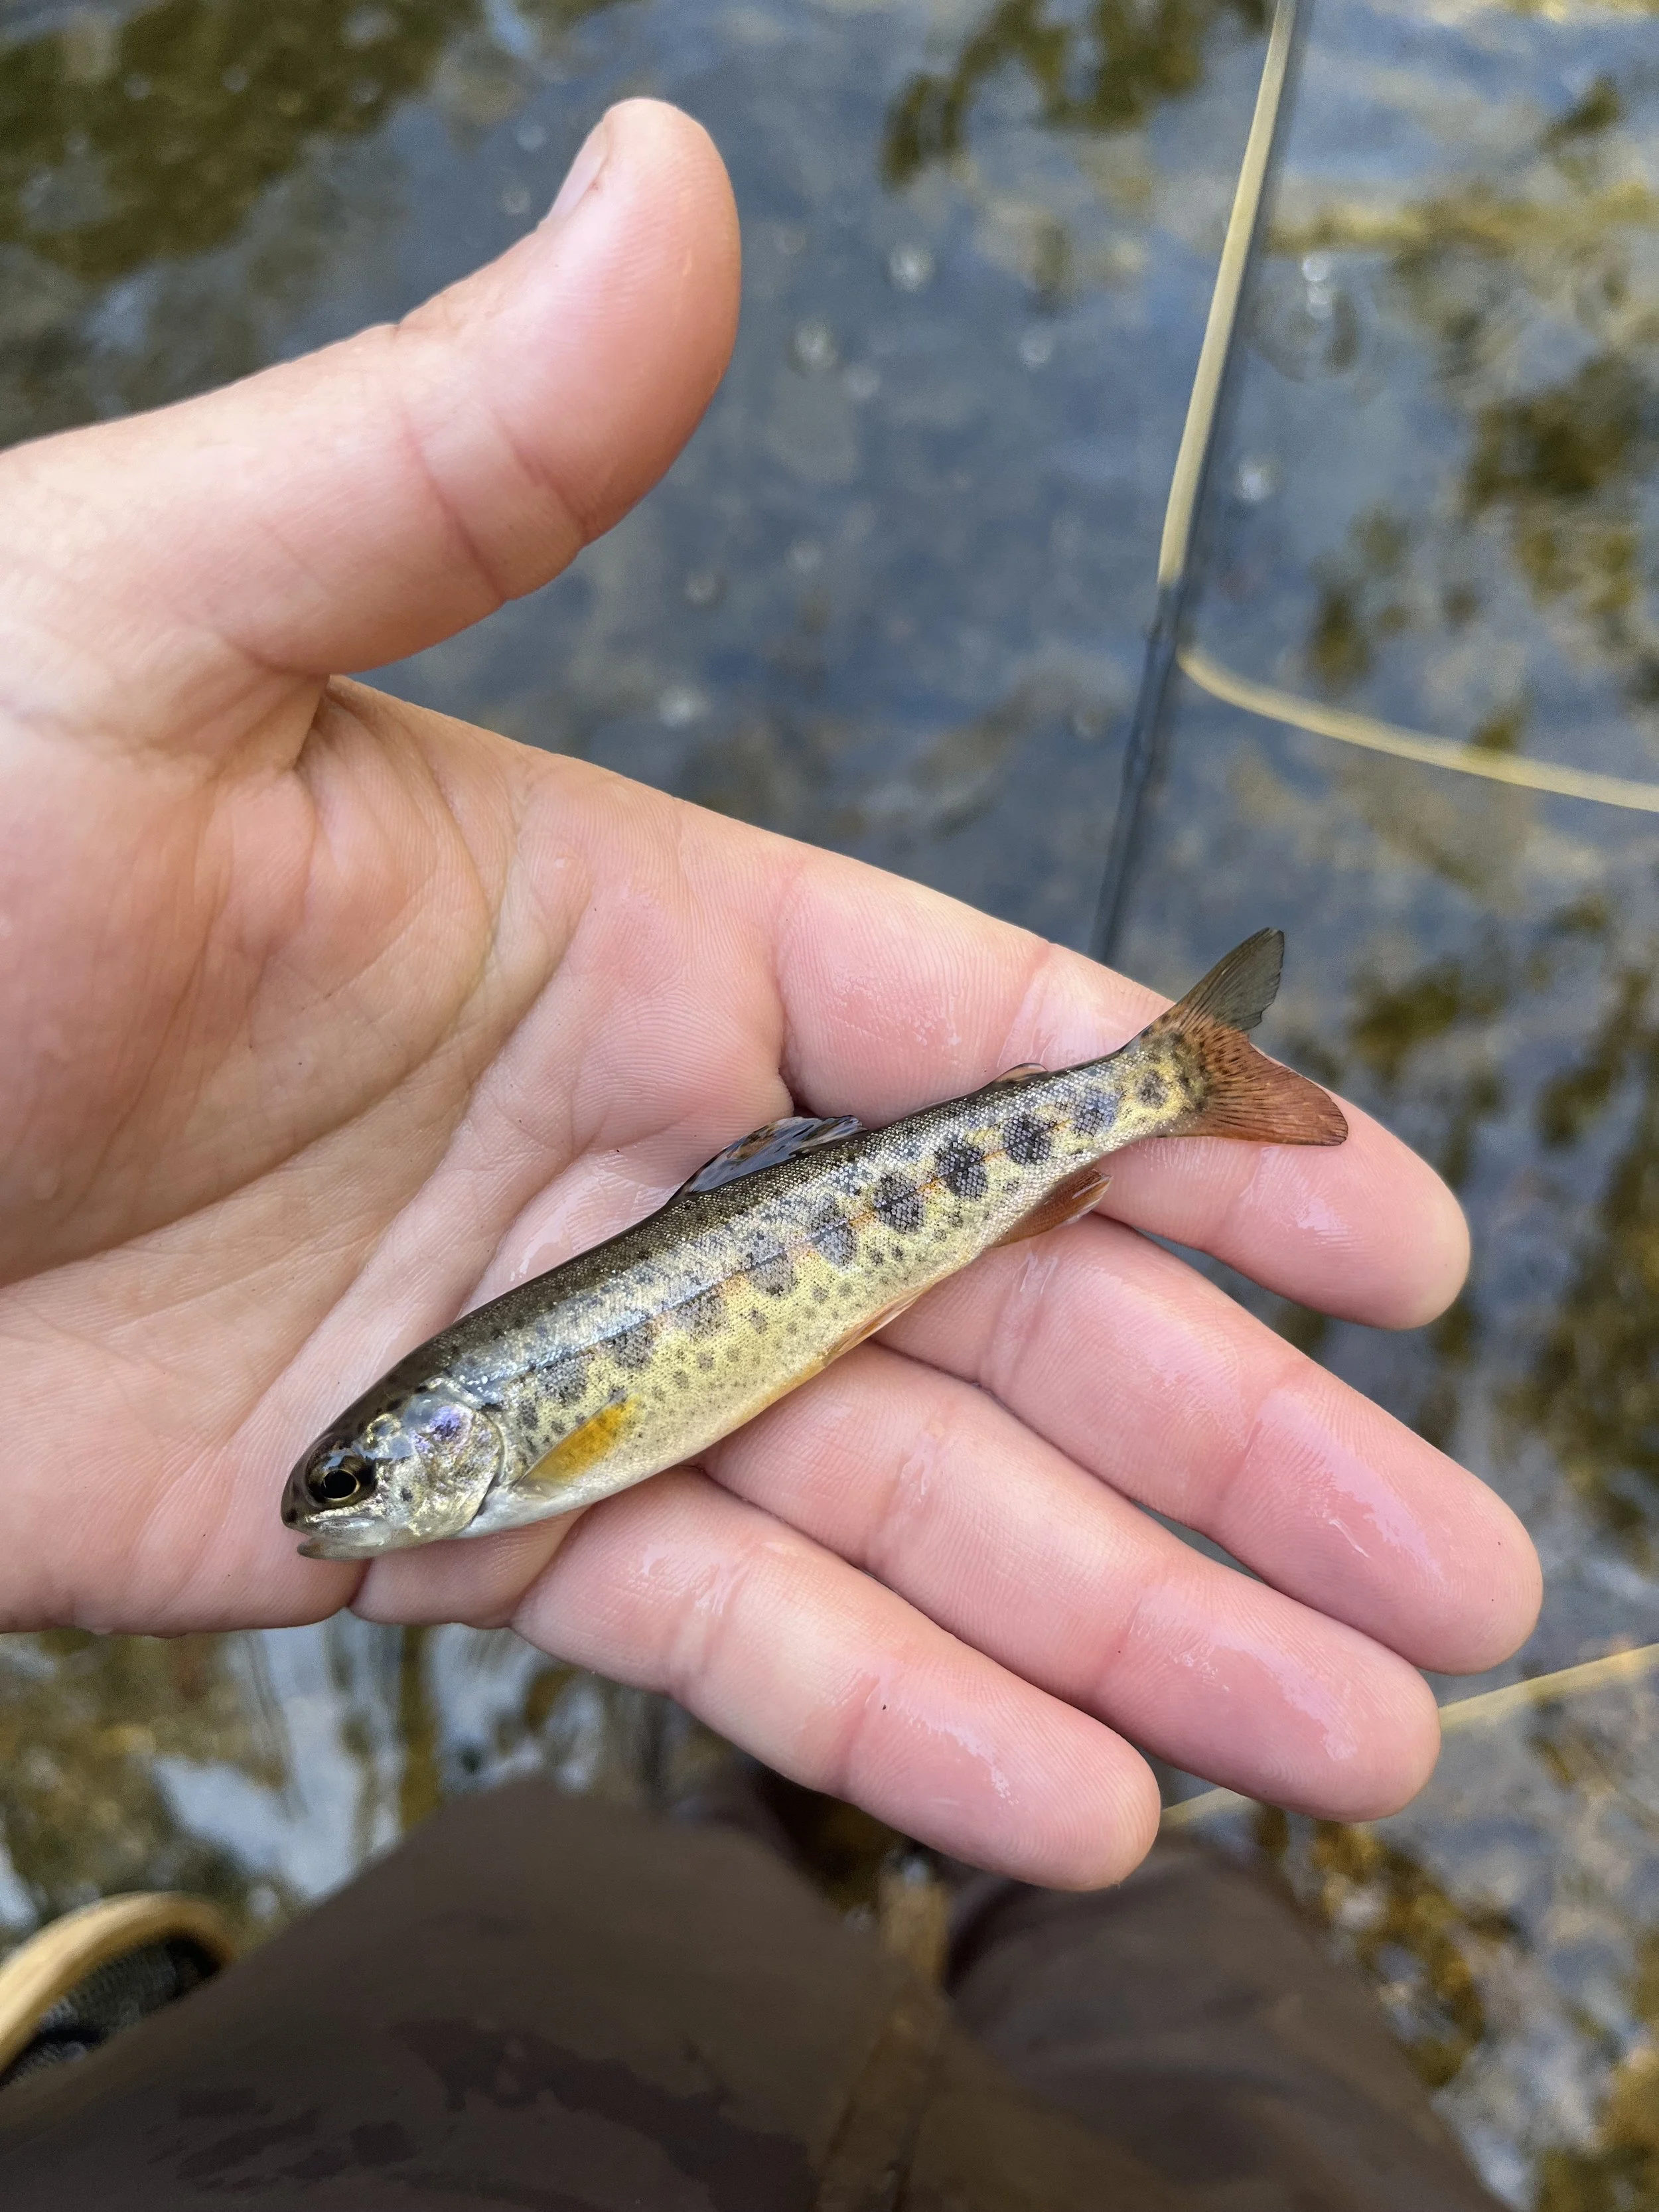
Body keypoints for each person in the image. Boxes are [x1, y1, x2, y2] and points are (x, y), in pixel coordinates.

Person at [0, 99, 1535, 2207]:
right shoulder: (482, 1452)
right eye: (362, 1485)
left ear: (439, 1449)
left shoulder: (502, 1447)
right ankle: (915, 1872)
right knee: (1176, 2009)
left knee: (856, 1898)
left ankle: (793, 1843)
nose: (357, 1510)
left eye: (366, 1480)